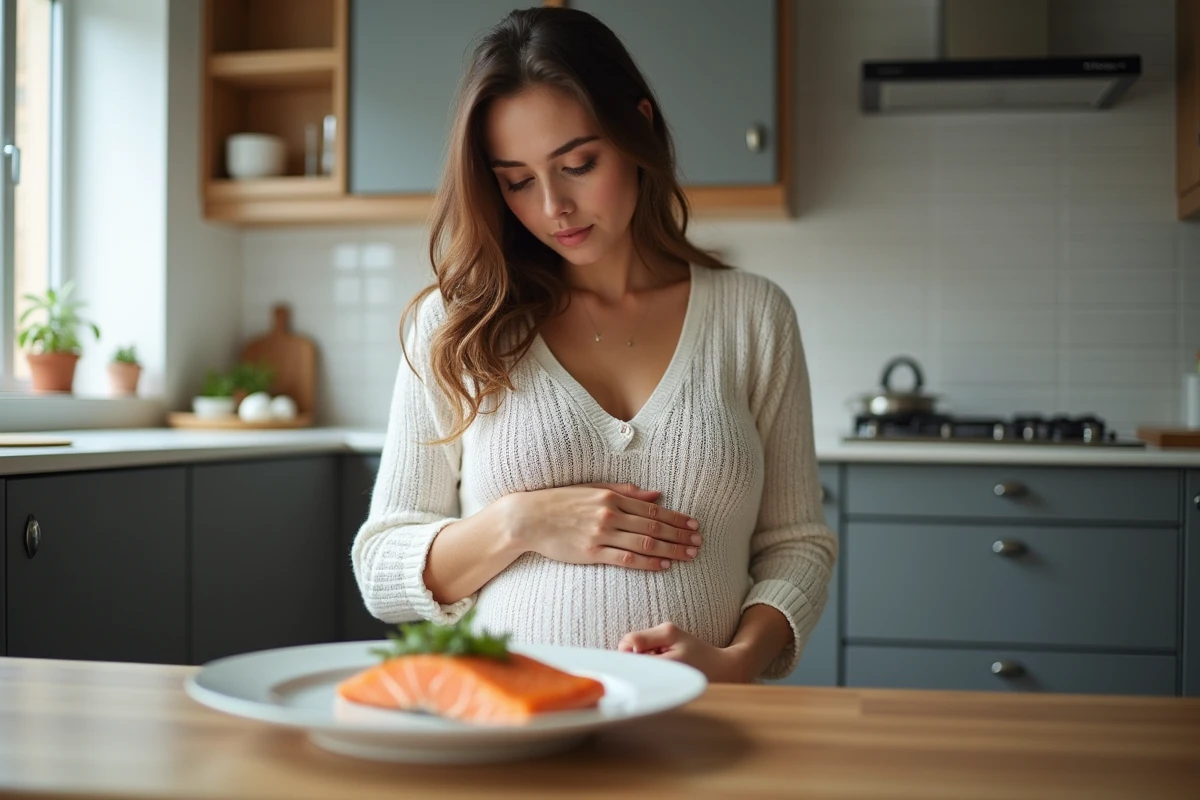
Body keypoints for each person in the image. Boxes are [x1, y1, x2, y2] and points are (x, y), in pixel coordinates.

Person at [351, 6, 836, 683]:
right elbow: (381, 566)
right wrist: (519, 522)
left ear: (638, 128)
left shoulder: (752, 316)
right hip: (515, 720)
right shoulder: (459, 324)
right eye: (518, 180)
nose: (554, 206)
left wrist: (735, 662)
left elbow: (797, 545)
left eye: (578, 164)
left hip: (704, 717)